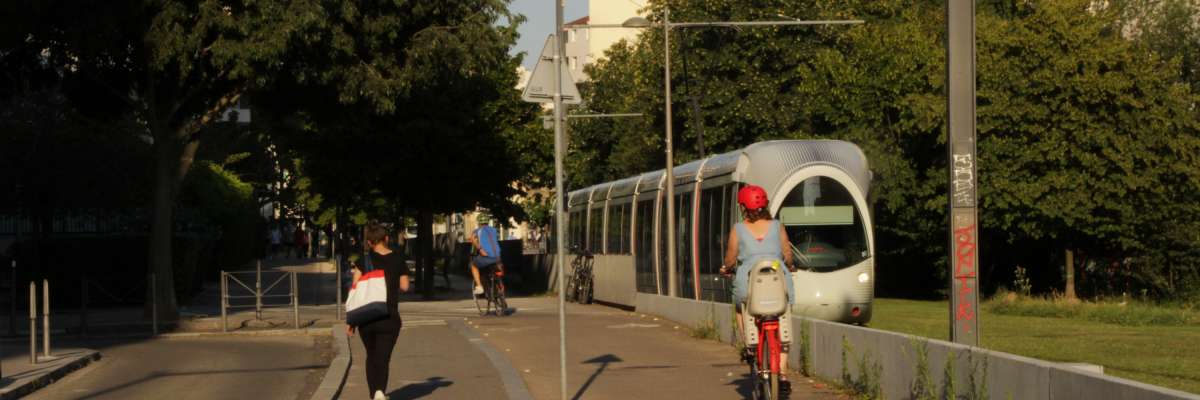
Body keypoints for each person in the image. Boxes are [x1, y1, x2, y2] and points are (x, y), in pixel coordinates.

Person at [719, 184, 795, 395]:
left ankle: (750, 346)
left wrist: (726, 267)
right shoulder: (777, 226)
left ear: (743, 207)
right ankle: (782, 374)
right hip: (778, 284)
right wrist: (789, 265)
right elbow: (787, 253)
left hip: (749, 286)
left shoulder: (738, 229)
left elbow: (731, 257)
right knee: (784, 319)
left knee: (740, 307)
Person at [347, 223, 410, 400]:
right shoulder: (398, 259)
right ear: (386, 239)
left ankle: (374, 393)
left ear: (369, 242)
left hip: (366, 317)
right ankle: (379, 392)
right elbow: (405, 286)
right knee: (383, 356)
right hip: (389, 316)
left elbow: (355, 290)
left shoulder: (363, 260)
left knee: (371, 355)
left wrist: (350, 322)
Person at [470, 217, 502, 295]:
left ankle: (479, 286)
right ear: (488, 222)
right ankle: (498, 285)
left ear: (479, 223)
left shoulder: (477, 231)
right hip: (498, 256)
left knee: (473, 266)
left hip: (487, 256)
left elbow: (472, 239)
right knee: (494, 267)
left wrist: (479, 248)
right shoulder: (494, 230)